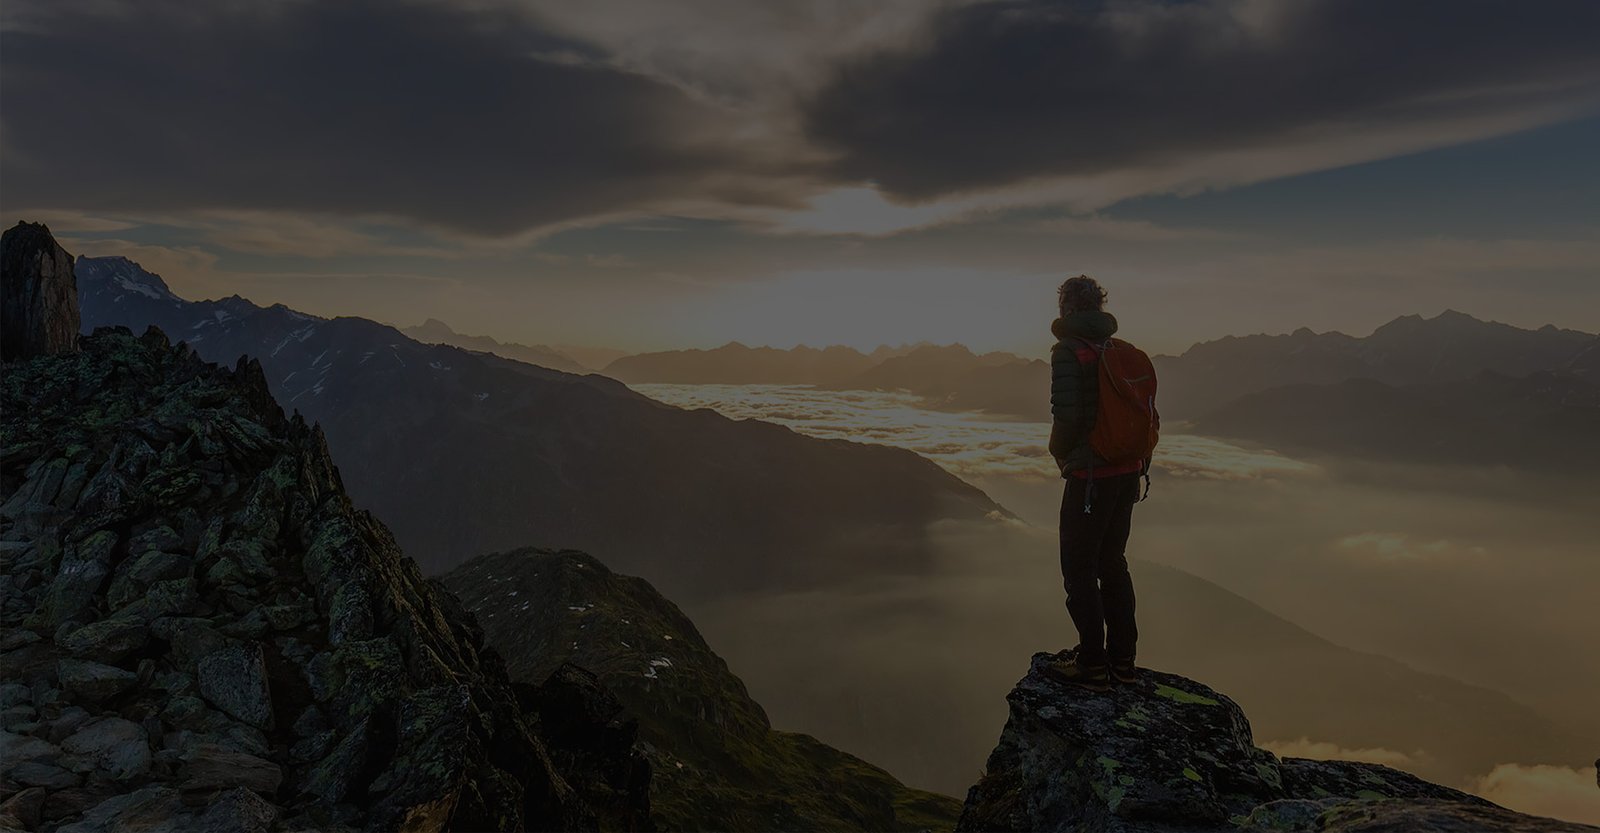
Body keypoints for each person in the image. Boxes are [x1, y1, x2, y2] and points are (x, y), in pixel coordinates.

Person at [1043, 275, 1150, 690]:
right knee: (1113, 563)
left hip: (1091, 477)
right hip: (1127, 472)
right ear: (1100, 307)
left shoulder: (1068, 351)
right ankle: (1122, 663)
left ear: (1066, 309)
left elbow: (1066, 417)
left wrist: (1059, 454)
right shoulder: (1118, 350)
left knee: (1079, 568)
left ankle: (1091, 665)